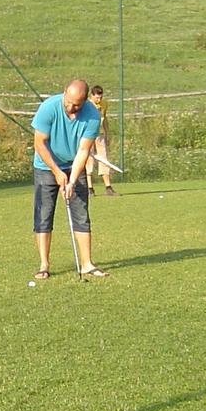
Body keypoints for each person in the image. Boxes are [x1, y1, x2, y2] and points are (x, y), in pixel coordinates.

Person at [31, 78, 108, 279]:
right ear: (64, 92)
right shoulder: (48, 108)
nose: (72, 108)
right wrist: (57, 172)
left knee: (81, 214)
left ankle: (87, 264)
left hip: (74, 164)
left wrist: (72, 180)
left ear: (85, 101)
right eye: (69, 103)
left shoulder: (92, 115)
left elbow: (84, 150)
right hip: (45, 166)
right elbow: (39, 144)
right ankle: (44, 265)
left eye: (78, 105)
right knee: (44, 214)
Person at [86, 85, 118, 196]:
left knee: (104, 159)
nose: (99, 100)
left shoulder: (104, 104)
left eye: (100, 97)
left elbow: (104, 119)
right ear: (91, 96)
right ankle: (90, 188)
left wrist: (107, 133)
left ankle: (108, 187)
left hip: (99, 136)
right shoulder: (86, 105)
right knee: (88, 159)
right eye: (96, 98)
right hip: (88, 135)